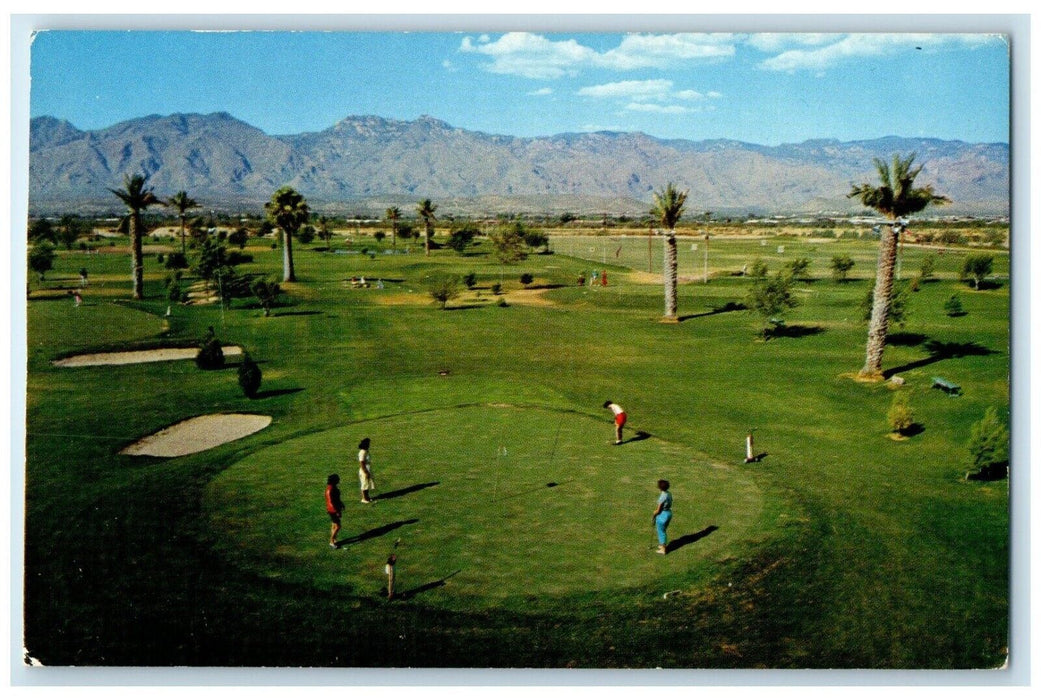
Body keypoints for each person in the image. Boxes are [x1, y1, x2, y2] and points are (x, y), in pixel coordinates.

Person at [653, 479, 673, 555]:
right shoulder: (669, 493)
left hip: (662, 515)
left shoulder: (662, 497)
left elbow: (658, 510)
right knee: (663, 530)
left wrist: (654, 513)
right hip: (669, 513)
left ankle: (663, 549)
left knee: (661, 531)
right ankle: (662, 545)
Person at [325, 474, 345, 548]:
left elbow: (337, 499)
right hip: (333, 510)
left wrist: (341, 504)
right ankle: (331, 541)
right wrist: (337, 512)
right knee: (338, 526)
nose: (339, 480)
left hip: (334, 509)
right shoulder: (330, 490)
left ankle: (334, 539)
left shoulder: (332, 488)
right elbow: (331, 502)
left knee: (334, 525)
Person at [358, 438, 375, 503]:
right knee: (364, 484)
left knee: (367, 484)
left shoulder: (366, 451)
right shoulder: (362, 452)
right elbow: (362, 463)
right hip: (364, 470)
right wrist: (366, 472)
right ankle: (364, 498)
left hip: (367, 468)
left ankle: (367, 497)